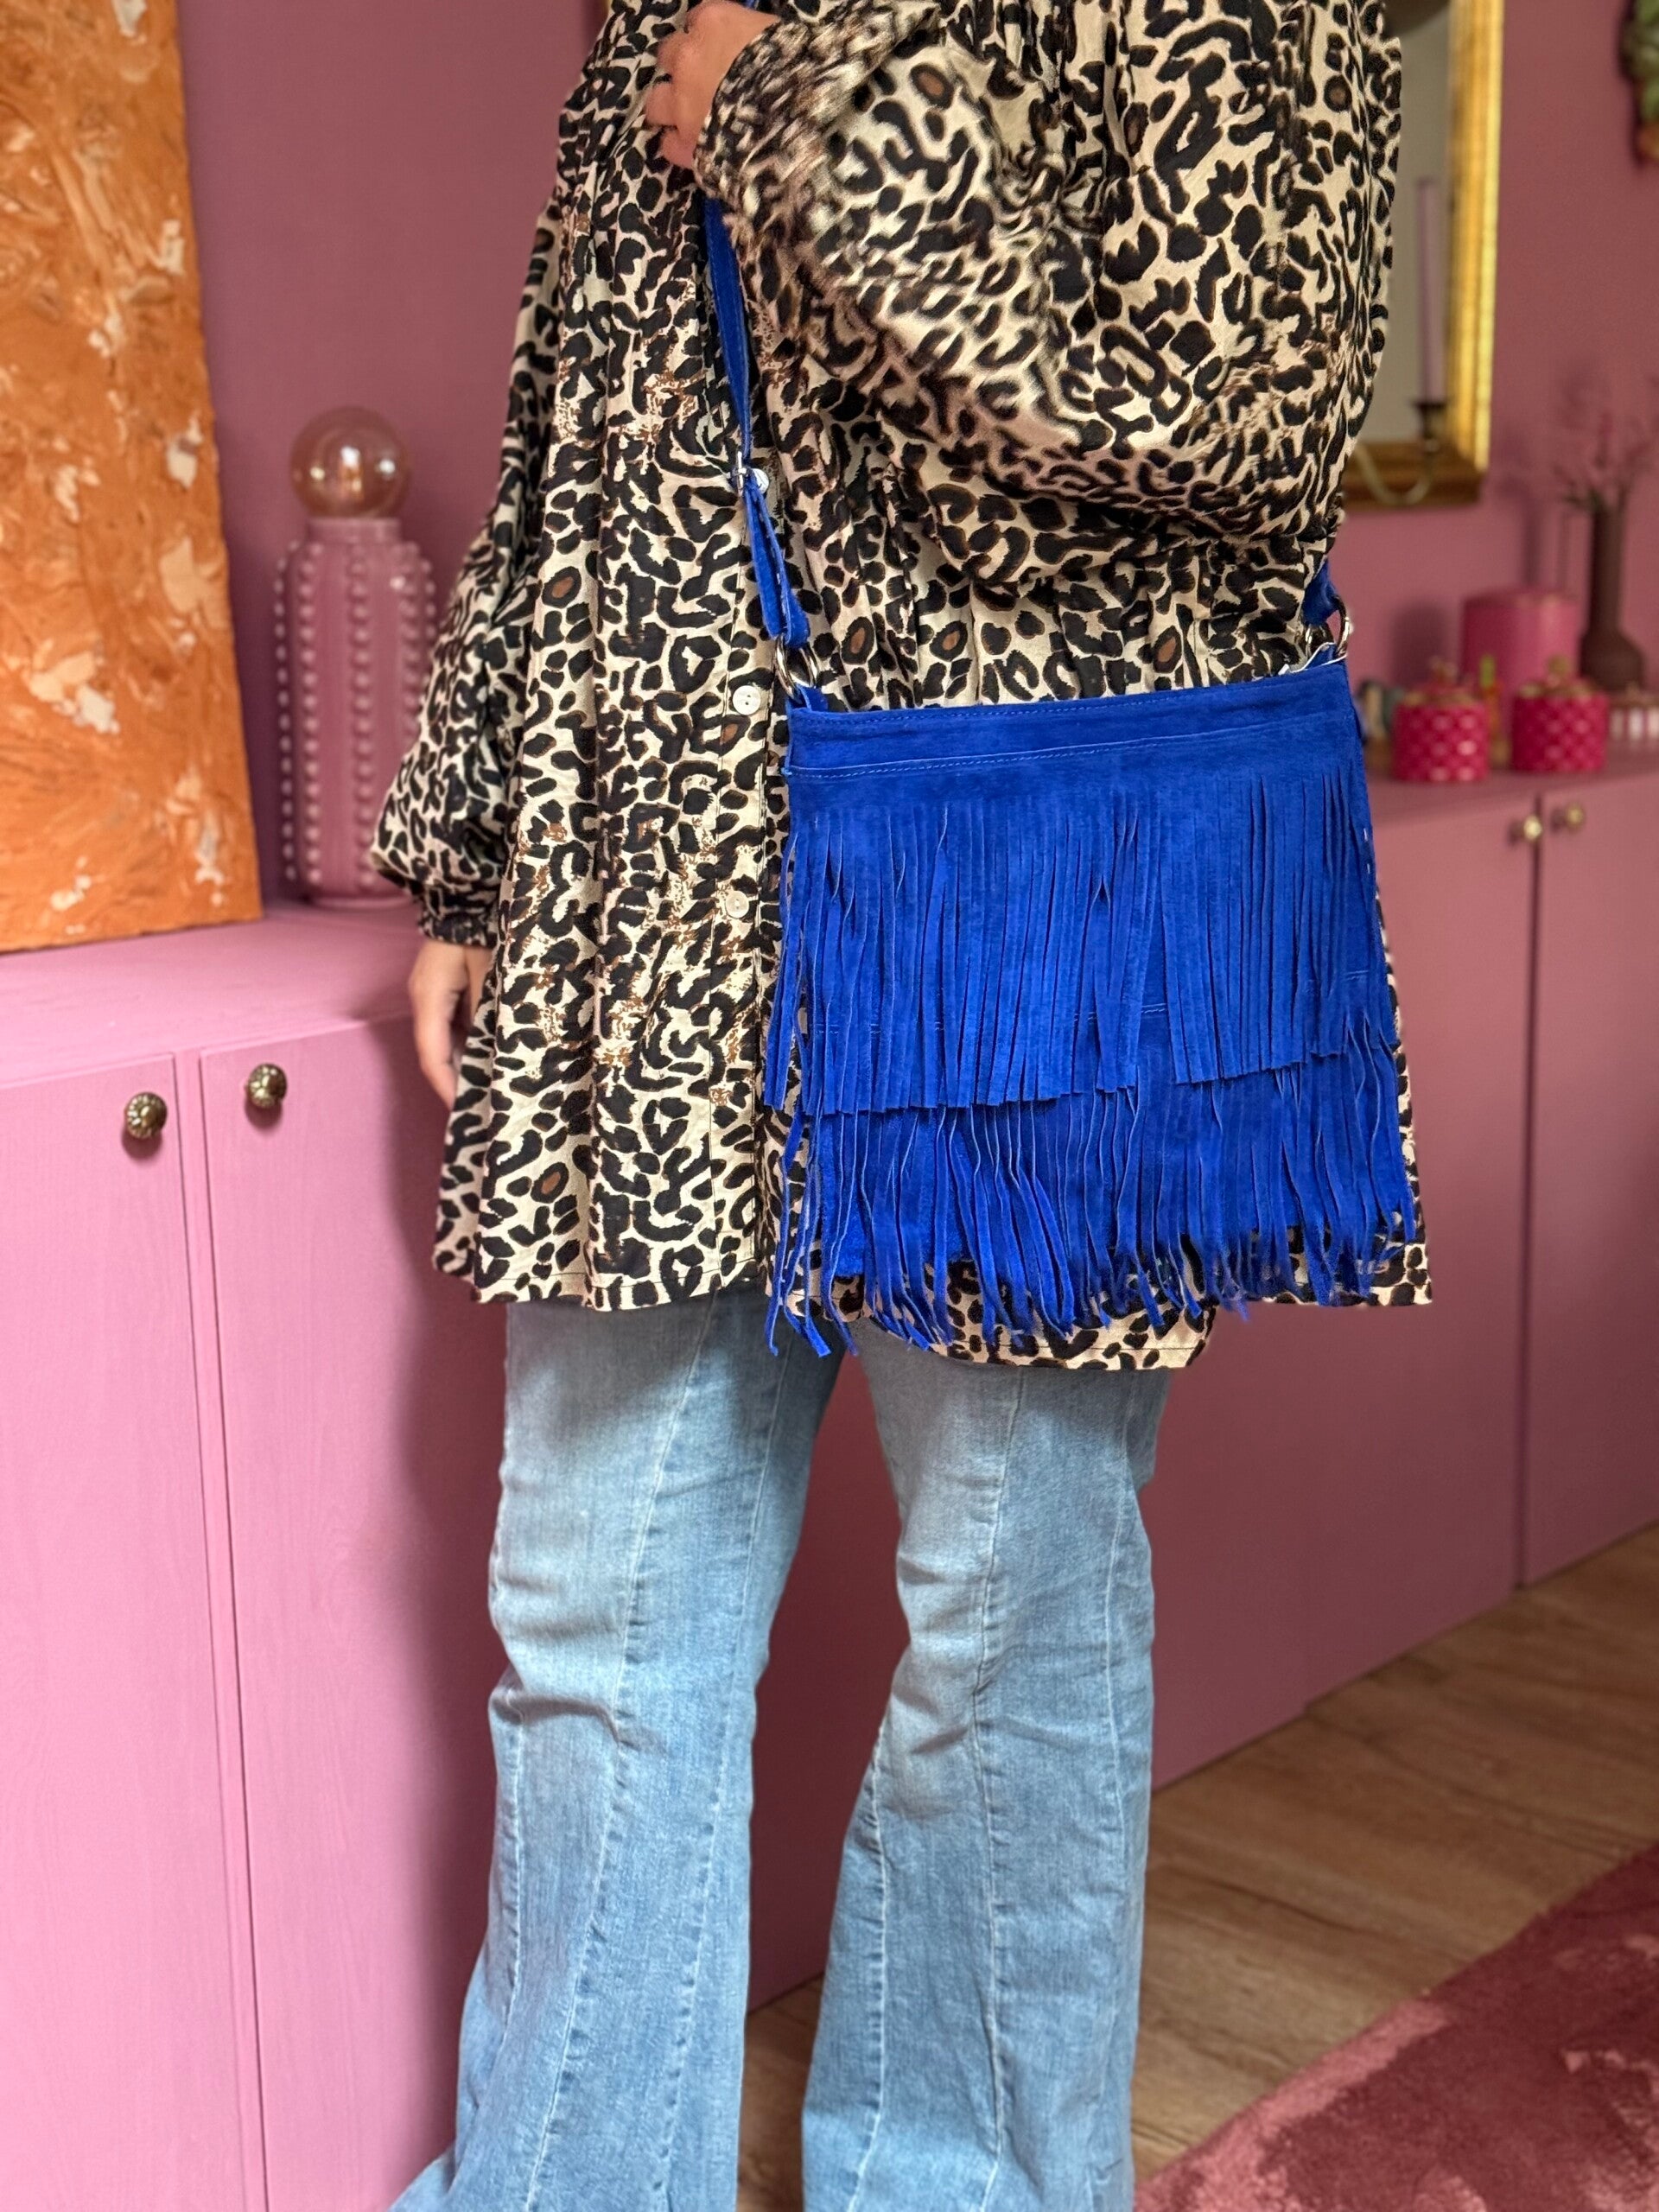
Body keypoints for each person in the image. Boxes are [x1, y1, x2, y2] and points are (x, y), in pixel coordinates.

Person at [372, 4, 1426, 2206]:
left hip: (1009, 873)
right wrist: (479, 833)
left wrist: (789, 106)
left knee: (1007, 1612)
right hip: (658, 870)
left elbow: (1251, 381)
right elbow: (591, 400)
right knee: (593, 1615)